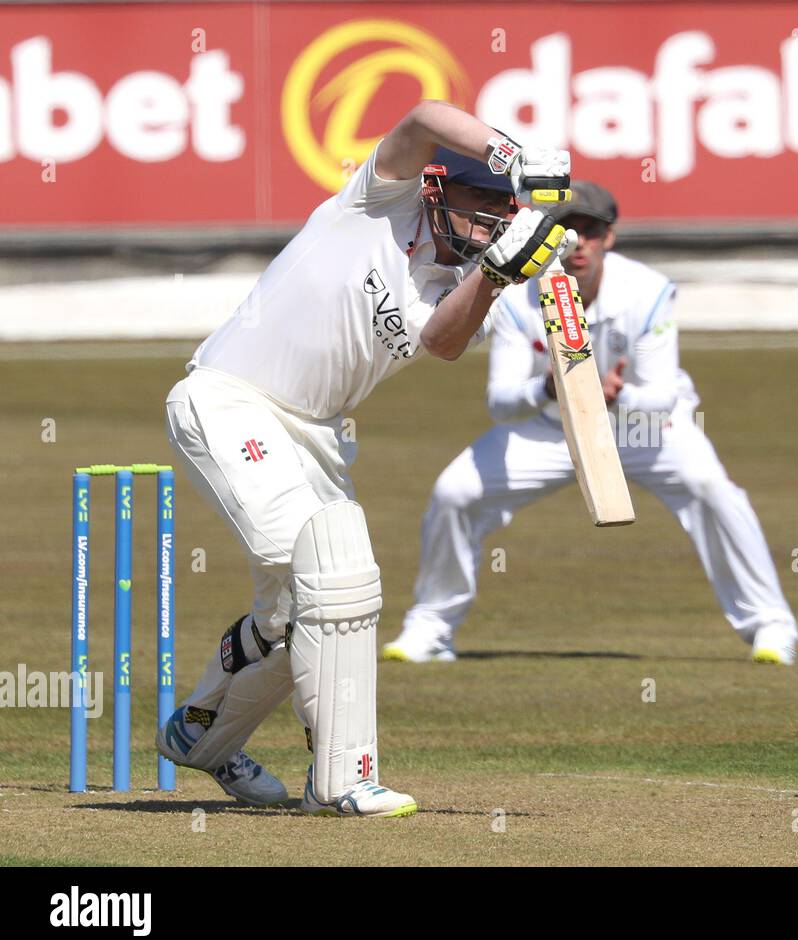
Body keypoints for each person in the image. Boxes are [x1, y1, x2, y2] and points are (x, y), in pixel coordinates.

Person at [156, 99, 575, 816]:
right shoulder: (380, 200)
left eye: (507, 214)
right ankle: (342, 780)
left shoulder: (466, 290)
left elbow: (442, 342)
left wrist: (501, 273)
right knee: (327, 581)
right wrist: (514, 154)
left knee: (302, 609)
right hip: (230, 399)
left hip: (315, 435)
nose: (496, 224)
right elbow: (422, 117)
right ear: (437, 192)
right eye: (485, 204)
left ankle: (201, 736)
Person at [383, 181, 798, 667]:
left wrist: (618, 395)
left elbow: (662, 398)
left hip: (642, 429)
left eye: (590, 231)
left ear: (609, 238)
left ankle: (770, 625)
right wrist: (550, 389)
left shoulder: (647, 292)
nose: (577, 243)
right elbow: (501, 403)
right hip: (550, 426)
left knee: (712, 489)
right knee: (456, 492)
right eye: (564, 230)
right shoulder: (516, 295)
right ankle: (430, 628)